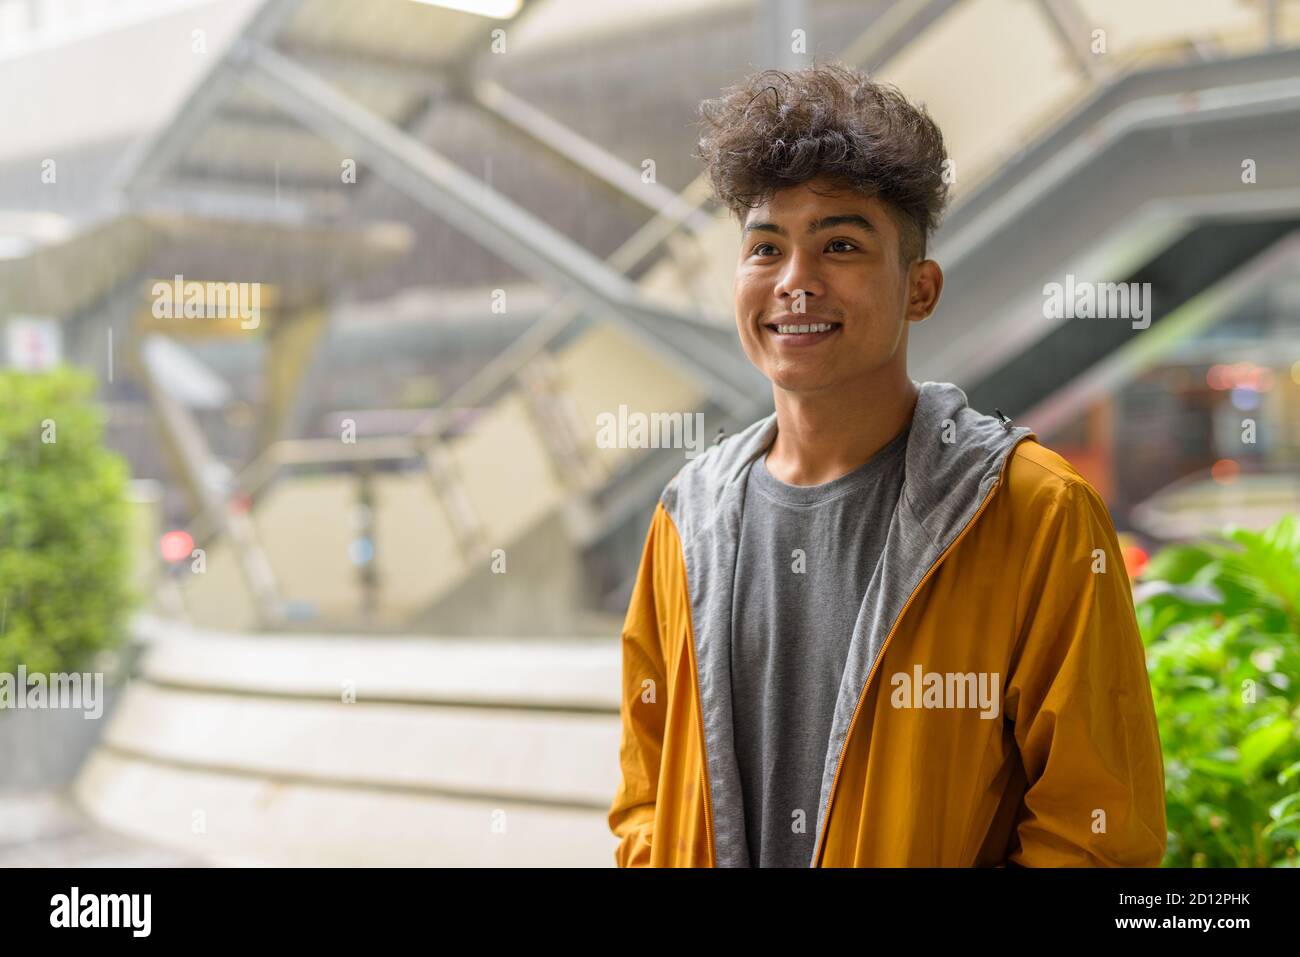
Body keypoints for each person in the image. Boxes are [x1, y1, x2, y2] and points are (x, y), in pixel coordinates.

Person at [607, 62, 1166, 867]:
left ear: (920, 288)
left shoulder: (1035, 512)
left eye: (839, 244)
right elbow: (645, 792)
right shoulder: (685, 519)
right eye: (766, 248)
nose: (795, 283)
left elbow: (1099, 830)